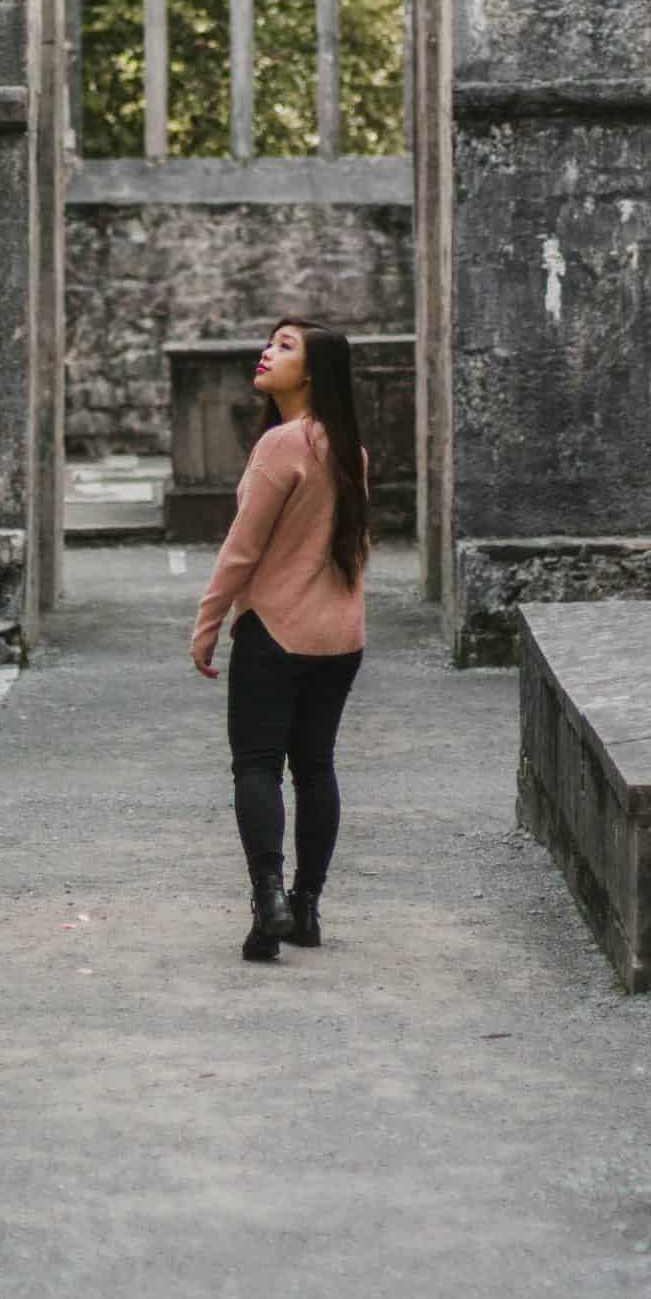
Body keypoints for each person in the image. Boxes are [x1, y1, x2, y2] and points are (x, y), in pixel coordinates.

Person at [189, 317, 369, 963]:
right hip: (340, 636)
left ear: (314, 371)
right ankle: (308, 907)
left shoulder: (280, 446)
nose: (268, 352)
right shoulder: (350, 449)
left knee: (258, 765)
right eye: (271, 342)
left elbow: (243, 550)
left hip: (274, 630)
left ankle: (269, 903)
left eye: (285, 346)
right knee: (315, 766)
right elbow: (356, 547)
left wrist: (207, 622)